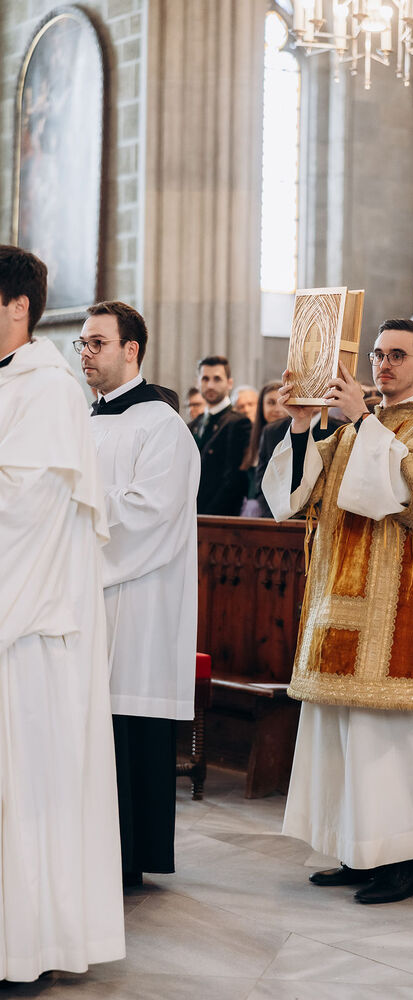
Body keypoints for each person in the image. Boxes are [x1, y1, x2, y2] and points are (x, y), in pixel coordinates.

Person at [263, 318, 413, 904]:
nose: (383, 364)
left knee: (386, 744)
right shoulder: (358, 428)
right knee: (342, 738)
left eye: (397, 355)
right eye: (377, 354)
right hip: (339, 603)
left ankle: (403, 865)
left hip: (399, 614)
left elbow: (411, 495)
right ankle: (358, 851)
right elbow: (296, 496)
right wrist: (302, 425)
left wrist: (361, 421)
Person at [0, 246, 124, 980]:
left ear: (18, 306)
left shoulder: (45, 389)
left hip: (26, 628)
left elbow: (29, 509)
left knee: (27, 791)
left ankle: (28, 946)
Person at [78, 300, 200, 887]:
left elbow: (150, 512)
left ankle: (128, 857)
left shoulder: (161, 425)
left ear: (131, 350)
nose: (85, 353)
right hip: (86, 596)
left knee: (127, 725)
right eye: (82, 343)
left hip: (137, 603)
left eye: (96, 343)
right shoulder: (84, 421)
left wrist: (70, 516)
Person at [189, 355, 251, 515]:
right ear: (198, 383)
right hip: (189, 514)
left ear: (229, 383)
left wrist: (207, 516)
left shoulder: (238, 422)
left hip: (218, 518)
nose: (210, 385)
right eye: (205, 379)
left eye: (217, 379)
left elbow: (234, 480)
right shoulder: (193, 425)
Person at [239, 380, 288, 516]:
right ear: (261, 406)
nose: (278, 409)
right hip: (247, 510)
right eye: (271, 403)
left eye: (283, 403)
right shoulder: (251, 436)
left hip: (274, 512)